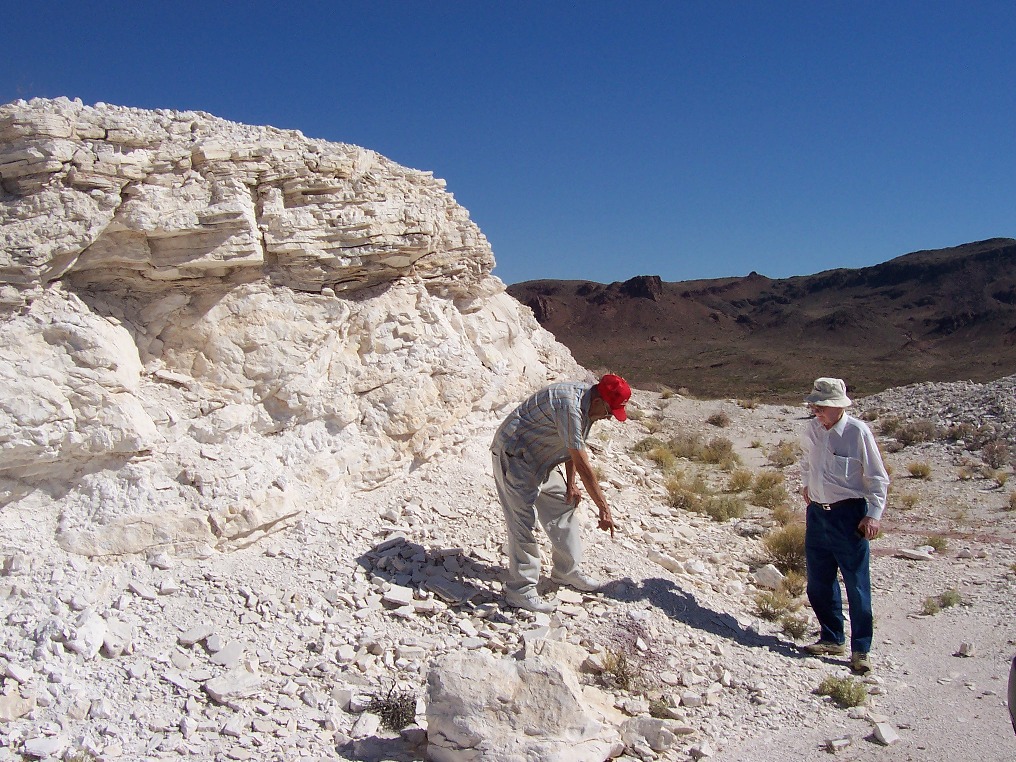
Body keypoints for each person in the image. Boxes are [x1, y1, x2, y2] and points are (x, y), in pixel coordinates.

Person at [490, 374, 631, 612]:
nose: (608, 417)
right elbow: (582, 461)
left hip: (540, 458)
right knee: (522, 521)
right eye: (609, 411)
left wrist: (570, 485)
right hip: (515, 455)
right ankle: (520, 590)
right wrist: (603, 508)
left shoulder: (588, 405)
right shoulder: (570, 405)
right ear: (599, 399)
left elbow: (572, 447)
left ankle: (566, 571)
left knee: (563, 504)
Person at [798, 377, 889, 675]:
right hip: (818, 514)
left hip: (848, 515)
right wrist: (806, 486)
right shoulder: (812, 429)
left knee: (857, 584)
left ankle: (861, 649)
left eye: (821, 406)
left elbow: (877, 477)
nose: (816, 411)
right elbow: (807, 462)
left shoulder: (857, 432)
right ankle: (832, 637)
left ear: (838, 406)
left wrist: (873, 514)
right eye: (814, 406)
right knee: (819, 581)